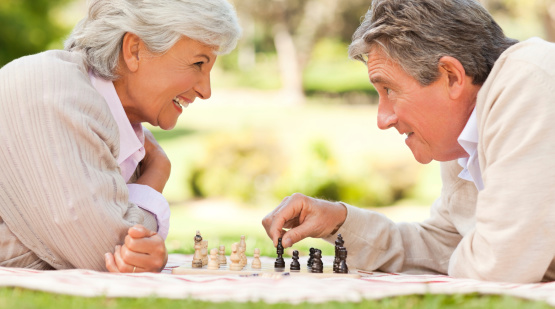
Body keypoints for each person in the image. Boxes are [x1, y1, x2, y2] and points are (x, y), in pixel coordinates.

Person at [262, 0, 555, 283]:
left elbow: (497, 267)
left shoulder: (530, 83)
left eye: (389, 89)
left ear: (452, 77)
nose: (383, 119)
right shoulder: (464, 129)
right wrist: (339, 221)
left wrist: (475, 255)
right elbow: (444, 246)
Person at [0, 0, 241, 273]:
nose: (205, 90)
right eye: (198, 63)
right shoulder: (52, 92)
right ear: (134, 50)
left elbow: (117, 250)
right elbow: (106, 252)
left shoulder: (124, 134)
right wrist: (156, 175)